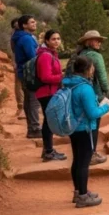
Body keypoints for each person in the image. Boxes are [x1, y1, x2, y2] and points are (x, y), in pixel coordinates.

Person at [64, 56, 109, 208]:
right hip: (85, 128)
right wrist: (107, 106)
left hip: (73, 127)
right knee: (83, 163)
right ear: (87, 69)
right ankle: (83, 197)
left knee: (77, 160)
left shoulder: (69, 84)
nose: (93, 70)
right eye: (92, 68)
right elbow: (92, 113)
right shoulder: (85, 88)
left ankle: (79, 192)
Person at [68, 30, 109, 165]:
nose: (99, 42)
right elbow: (103, 78)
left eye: (99, 40)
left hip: (75, 91)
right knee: (93, 124)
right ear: (88, 42)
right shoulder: (96, 56)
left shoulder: (78, 55)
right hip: (93, 93)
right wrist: (107, 93)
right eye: (96, 40)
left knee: (80, 123)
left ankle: (81, 154)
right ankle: (91, 154)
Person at [34, 30, 67, 162]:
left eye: (58, 39)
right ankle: (48, 152)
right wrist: (62, 77)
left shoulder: (51, 54)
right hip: (46, 93)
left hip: (50, 92)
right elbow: (45, 77)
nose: (57, 41)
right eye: (53, 39)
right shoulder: (46, 56)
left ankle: (48, 150)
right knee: (49, 122)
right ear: (46, 41)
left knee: (49, 121)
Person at [10, 15, 41, 138]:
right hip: (30, 74)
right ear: (24, 25)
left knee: (29, 101)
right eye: (32, 22)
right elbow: (32, 56)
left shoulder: (20, 37)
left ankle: (31, 129)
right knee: (33, 101)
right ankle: (35, 128)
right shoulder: (27, 39)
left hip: (24, 73)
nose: (35, 23)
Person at [11, 19, 26, 121]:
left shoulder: (16, 36)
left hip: (19, 62)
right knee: (20, 84)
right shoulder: (19, 37)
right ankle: (22, 108)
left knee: (20, 84)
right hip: (21, 63)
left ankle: (22, 107)